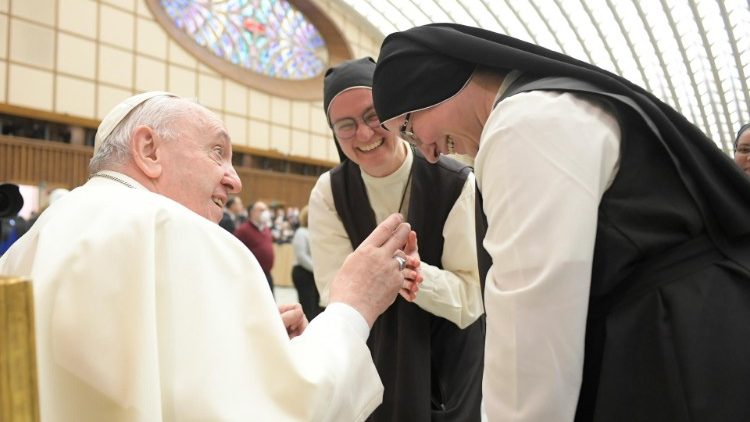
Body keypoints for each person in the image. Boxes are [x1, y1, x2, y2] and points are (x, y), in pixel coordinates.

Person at [372, 23, 750, 422]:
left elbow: (532, 336)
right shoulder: (549, 105)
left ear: (432, 83)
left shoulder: (524, 124)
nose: (427, 154)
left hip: (681, 358)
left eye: (409, 130)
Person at [0, 91, 423, 421]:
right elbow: (286, 410)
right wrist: (352, 306)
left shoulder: (33, 241)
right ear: (148, 150)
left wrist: (241, 344)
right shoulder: (174, 228)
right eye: (217, 152)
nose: (235, 180)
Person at [309, 57, 486, 421]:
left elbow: (471, 297)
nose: (364, 134)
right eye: (346, 125)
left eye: (373, 115)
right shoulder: (329, 193)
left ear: (394, 110)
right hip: (370, 357)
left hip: (446, 360)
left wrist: (419, 278)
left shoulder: (454, 183)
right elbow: (332, 291)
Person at [235, 200, 275, 293]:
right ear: (252, 212)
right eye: (261, 210)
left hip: (267, 275)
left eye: (266, 210)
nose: (265, 213)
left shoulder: (266, 228)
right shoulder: (243, 230)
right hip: (251, 277)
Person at [291, 205, 323, 320]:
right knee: (307, 307)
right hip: (303, 273)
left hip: (313, 274)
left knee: (314, 307)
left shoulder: (315, 232)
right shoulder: (301, 232)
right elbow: (301, 256)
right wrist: (318, 270)